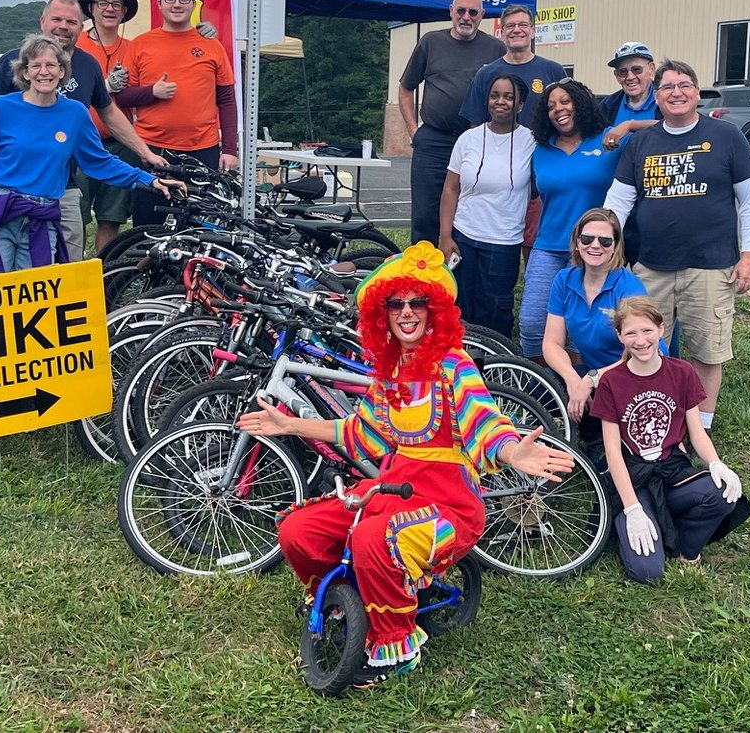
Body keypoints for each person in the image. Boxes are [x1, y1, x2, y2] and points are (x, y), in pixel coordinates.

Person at [237, 242, 574, 687]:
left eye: (418, 303)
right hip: (391, 492)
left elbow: (483, 421)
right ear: (384, 314)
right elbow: (360, 434)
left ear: (435, 311)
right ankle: (344, 600)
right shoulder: (390, 373)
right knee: (299, 530)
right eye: (397, 304)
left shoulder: (455, 365)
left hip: (450, 506)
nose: (408, 312)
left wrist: (511, 451)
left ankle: (395, 647)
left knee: (377, 539)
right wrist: (289, 425)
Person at [604, 59, 750, 428]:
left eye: (684, 85)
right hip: (650, 267)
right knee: (640, 346)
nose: (676, 93)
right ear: (656, 97)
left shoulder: (727, 137)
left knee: (707, 352)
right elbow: (619, 201)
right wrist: (605, 242)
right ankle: (645, 420)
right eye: (667, 88)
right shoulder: (641, 142)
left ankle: (699, 429)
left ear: (696, 92)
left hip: (710, 266)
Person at [0, 35, 183, 276]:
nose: (44, 72)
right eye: (36, 65)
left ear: (62, 71)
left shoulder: (74, 113)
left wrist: (148, 179)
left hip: (41, 217)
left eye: (51, 65)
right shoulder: (1, 107)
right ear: (25, 73)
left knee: (36, 292)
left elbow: (99, 161)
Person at [0, 0, 166, 260]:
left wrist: (145, 156)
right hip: (9, 191)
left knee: (66, 264)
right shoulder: (10, 72)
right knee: (0, 274)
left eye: (71, 21)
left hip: (62, 185)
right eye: (57, 19)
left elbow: (109, 114)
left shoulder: (86, 72)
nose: (63, 26)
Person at [590, 296, 750, 582]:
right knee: (647, 572)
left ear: (662, 329)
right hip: (634, 477)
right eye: (630, 333)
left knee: (723, 492)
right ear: (620, 336)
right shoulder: (611, 382)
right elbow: (613, 452)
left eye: (646, 330)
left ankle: (688, 547)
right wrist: (631, 508)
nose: (640, 340)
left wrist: (715, 463)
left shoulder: (682, 372)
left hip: (672, 469)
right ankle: (642, 517)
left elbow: (696, 430)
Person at [519, 80, 624, 361]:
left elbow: (659, 129)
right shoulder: (541, 150)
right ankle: (543, 387)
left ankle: (582, 388)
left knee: (583, 330)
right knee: (531, 324)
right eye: (551, 106)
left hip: (594, 248)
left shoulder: (608, 141)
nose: (559, 110)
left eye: (565, 101)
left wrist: (627, 127)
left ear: (581, 103)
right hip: (549, 245)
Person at [123, 0, 239, 227]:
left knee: (199, 226)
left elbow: (227, 99)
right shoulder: (140, 44)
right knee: (148, 227)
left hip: (203, 150)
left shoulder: (212, 45)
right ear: (160, 3)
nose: (177, 4)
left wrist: (230, 149)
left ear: (194, 3)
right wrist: (152, 92)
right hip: (152, 151)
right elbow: (122, 96)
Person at [459, 4, 567, 259]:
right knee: (498, 249)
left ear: (532, 30)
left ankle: (532, 293)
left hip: (541, 174)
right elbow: (475, 126)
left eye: (523, 25)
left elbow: (568, 119)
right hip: (499, 180)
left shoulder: (553, 71)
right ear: (502, 32)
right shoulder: (487, 74)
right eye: (510, 26)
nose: (517, 30)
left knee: (536, 248)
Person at [398, 0, 504, 245]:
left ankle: (458, 274)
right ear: (451, 11)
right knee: (425, 214)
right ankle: (423, 279)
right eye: (461, 11)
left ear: (482, 16)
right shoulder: (430, 42)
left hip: (476, 141)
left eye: (473, 12)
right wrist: (414, 130)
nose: (466, 17)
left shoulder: (496, 48)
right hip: (433, 140)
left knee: (469, 208)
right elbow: (405, 88)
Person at [437, 72, 535, 336]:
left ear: (521, 104)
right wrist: (445, 236)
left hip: (504, 243)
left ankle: (494, 366)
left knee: (494, 311)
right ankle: (460, 366)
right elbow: (451, 188)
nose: (500, 101)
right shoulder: (467, 139)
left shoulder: (532, 142)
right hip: (464, 238)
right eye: (494, 95)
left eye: (508, 96)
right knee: (459, 308)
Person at [541, 209, 647, 438]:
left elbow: (638, 352)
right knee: (541, 390)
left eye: (605, 240)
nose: (595, 245)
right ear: (577, 242)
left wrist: (591, 380)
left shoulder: (629, 287)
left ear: (616, 245)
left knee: (600, 421)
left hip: (633, 372)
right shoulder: (564, 280)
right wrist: (573, 379)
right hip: (591, 372)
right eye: (587, 238)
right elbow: (551, 343)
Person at [75, 0, 140, 255]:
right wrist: (104, 84)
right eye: (103, 3)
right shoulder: (74, 45)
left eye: (116, 4)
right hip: (78, 143)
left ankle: (104, 273)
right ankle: (74, 275)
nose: (109, 9)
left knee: (111, 216)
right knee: (73, 215)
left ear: (124, 11)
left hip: (120, 143)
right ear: (91, 8)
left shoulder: (134, 47)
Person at [597, 43, 661, 267]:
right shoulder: (608, 105)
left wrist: (630, 125)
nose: (630, 77)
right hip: (617, 198)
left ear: (651, 70)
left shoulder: (665, 99)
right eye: (623, 72)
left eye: (637, 70)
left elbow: (675, 124)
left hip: (654, 201)